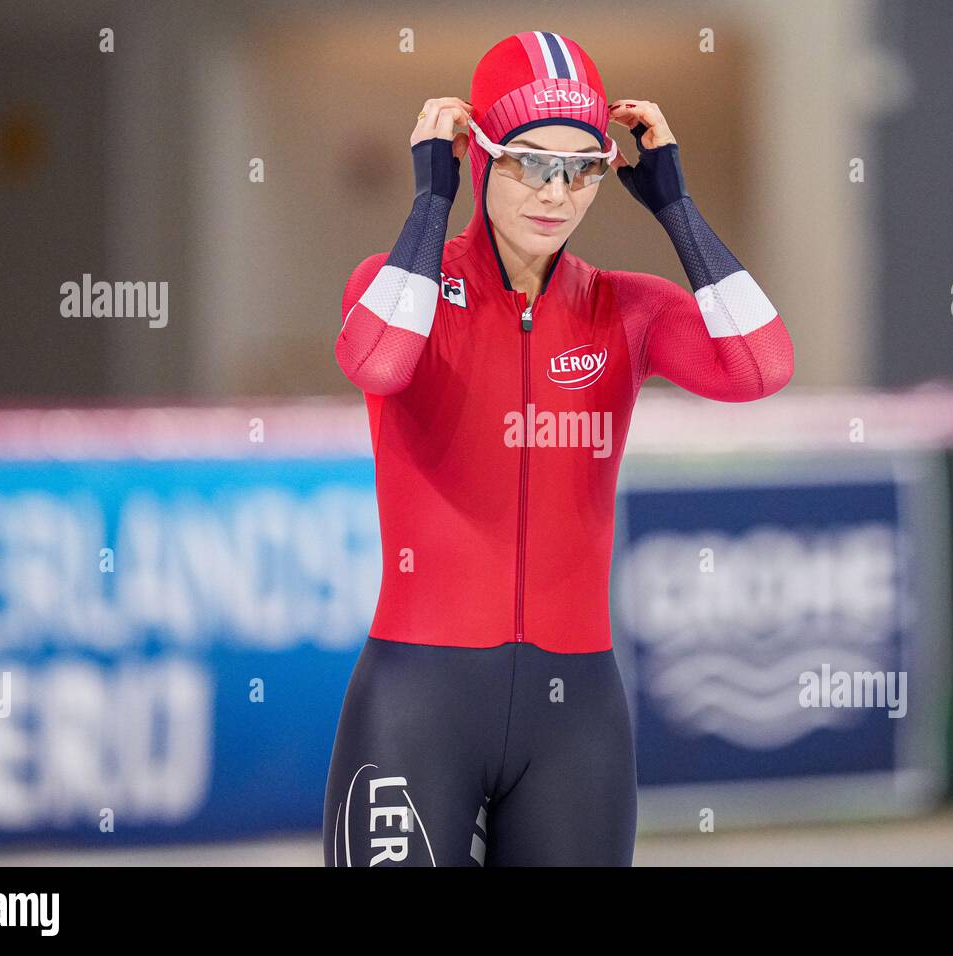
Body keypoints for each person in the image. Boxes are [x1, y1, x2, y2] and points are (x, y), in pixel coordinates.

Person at [324, 30, 794, 867]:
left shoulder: (629, 310)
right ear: (478, 156)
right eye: (529, 162)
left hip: (576, 717)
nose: (557, 192)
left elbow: (762, 365)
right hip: (419, 705)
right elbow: (377, 360)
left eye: (583, 168)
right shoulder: (400, 290)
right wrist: (429, 203)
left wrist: (677, 209)